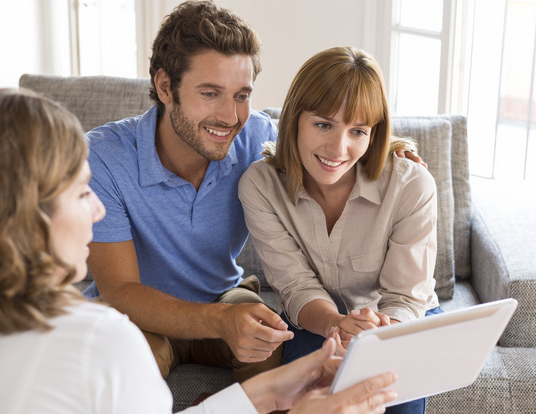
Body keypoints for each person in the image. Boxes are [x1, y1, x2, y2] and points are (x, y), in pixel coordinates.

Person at [0, 88, 400, 413]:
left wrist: (271, 392)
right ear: (20, 215)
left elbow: (308, 140)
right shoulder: (97, 343)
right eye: (82, 192)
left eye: (241, 94)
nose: (98, 210)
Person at [83, 0, 423, 382]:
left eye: (242, 96)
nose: (230, 117)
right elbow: (120, 291)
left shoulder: (254, 137)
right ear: (165, 87)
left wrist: (391, 152)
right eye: (210, 93)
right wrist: (219, 321)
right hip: (139, 314)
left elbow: (323, 147)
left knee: (271, 337)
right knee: (129, 361)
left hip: (224, 294)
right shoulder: (104, 158)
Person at [238, 46, 443, 414]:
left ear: (373, 133)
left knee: (397, 398)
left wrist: (373, 336)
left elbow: (405, 297)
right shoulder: (260, 185)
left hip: (398, 319)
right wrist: (338, 324)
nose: (338, 148)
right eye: (323, 124)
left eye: (358, 131)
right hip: (319, 319)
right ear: (294, 119)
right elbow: (297, 286)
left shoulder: (412, 184)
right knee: (305, 396)